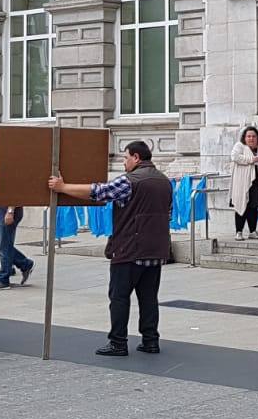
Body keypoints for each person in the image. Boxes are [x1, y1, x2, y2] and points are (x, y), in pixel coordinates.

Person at [50, 140, 173, 356]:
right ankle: (150, 340)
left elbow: (98, 191)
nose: (124, 162)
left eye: (125, 158)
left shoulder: (130, 181)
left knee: (119, 297)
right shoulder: (164, 181)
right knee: (149, 298)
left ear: (136, 158)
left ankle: (118, 342)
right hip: (156, 250)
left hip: (129, 249)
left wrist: (62, 187)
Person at [0, 137, 35, 291]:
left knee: (4, 244)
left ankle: (3, 278)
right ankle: (24, 263)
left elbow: (13, 188)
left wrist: (10, 210)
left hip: (7, 208)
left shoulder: (3, 166)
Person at [229, 126, 258, 241]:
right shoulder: (239, 146)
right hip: (242, 183)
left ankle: (252, 231)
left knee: (253, 207)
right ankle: (238, 232)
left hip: (257, 182)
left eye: (253, 136)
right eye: (248, 136)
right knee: (241, 205)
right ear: (244, 137)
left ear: (257, 137)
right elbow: (235, 157)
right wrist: (252, 160)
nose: (251, 138)